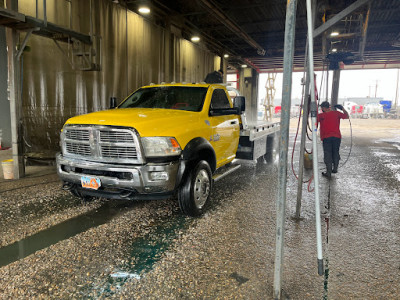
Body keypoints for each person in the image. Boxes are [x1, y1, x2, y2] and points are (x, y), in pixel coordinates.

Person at [317, 101, 349, 179]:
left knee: (328, 154)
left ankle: (328, 172)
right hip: (336, 137)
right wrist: (342, 108)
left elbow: (314, 121)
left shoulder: (321, 116)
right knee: (335, 152)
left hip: (326, 137)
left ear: (324, 108)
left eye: (322, 108)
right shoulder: (337, 113)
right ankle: (335, 168)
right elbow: (347, 116)